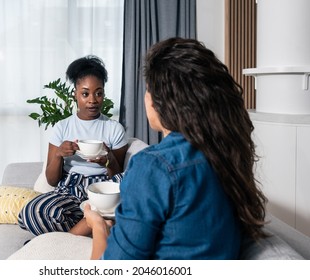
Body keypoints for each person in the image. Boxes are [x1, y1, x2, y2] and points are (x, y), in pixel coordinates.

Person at [83, 37, 267, 259]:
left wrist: (98, 226)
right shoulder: (226, 152)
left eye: (148, 89)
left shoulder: (152, 166)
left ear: (162, 101)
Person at [18, 55, 128, 236]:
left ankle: (74, 234)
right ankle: (92, 225)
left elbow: (117, 178)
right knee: (31, 212)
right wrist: (59, 154)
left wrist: (108, 160)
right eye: (85, 94)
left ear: (104, 95)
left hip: (102, 190)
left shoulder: (114, 129)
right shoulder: (62, 127)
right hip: (71, 188)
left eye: (98, 93)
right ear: (75, 94)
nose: (92, 100)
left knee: (126, 183)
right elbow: (52, 181)